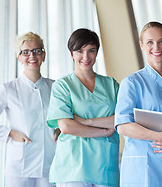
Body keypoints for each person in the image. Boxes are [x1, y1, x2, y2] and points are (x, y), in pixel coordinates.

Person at [0, 32, 57, 187]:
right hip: (20, 166)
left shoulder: (55, 87)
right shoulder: (9, 89)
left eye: (37, 51)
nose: (32, 56)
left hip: (50, 163)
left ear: (44, 55)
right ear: (19, 58)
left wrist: (60, 129)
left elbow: (66, 117)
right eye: (25, 52)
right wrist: (10, 133)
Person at [46, 28, 119, 187]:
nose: (85, 57)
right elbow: (66, 126)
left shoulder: (111, 85)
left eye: (91, 50)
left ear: (97, 52)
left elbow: (121, 119)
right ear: (71, 53)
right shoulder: (63, 86)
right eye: (79, 51)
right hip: (73, 167)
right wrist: (104, 131)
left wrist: (86, 122)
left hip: (105, 164)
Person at [114, 22, 162, 187]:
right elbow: (122, 126)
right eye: (150, 42)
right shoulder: (132, 83)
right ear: (142, 45)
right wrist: (160, 137)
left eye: (161, 41)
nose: (156, 47)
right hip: (143, 169)